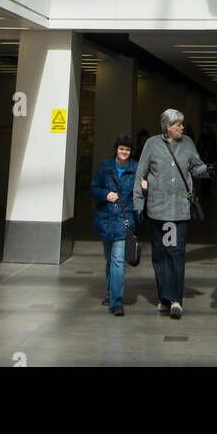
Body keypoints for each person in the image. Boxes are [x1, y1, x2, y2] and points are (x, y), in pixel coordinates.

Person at [132, 108, 212, 319]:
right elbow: (141, 173)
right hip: (158, 209)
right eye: (178, 125)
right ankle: (165, 297)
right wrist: (138, 204)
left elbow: (195, 167)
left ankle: (176, 299)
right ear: (168, 127)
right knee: (160, 254)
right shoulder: (151, 144)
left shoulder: (188, 144)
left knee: (176, 252)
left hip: (179, 210)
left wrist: (206, 170)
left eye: (182, 124)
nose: (182, 127)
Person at [90, 134, 139, 317]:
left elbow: (141, 194)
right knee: (110, 260)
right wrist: (105, 195)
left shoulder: (136, 168)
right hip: (105, 220)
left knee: (118, 260)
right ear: (116, 150)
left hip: (123, 221)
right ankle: (111, 295)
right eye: (121, 149)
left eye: (127, 149)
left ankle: (116, 302)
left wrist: (145, 186)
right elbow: (94, 188)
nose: (124, 152)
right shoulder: (105, 166)